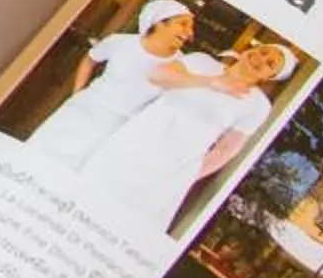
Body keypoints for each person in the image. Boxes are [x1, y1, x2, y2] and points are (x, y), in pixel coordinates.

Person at [75, 39, 298, 234]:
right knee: (88, 195)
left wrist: (187, 176)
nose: (261, 59)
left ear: (272, 77)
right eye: (264, 51)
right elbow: (158, 74)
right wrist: (211, 82)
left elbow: (226, 150)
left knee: (124, 222)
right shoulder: (202, 62)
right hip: (137, 140)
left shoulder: (257, 105)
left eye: (271, 64)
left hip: (174, 165)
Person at [26, 0, 200, 168]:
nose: (189, 33)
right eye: (183, 24)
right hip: (82, 110)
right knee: (36, 155)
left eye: (191, 27)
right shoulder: (121, 42)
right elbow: (90, 59)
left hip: (115, 128)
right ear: (159, 22)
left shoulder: (180, 66)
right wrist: (77, 94)